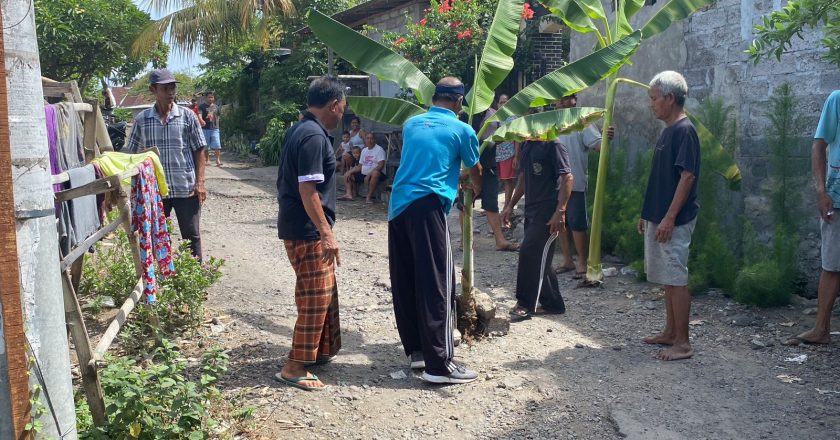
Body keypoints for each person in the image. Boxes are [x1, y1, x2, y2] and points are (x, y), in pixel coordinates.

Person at [388, 77, 482, 384]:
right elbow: (475, 170)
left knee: (406, 279)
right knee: (437, 282)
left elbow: (426, 160)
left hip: (398, 206)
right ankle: (439, 365)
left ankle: (418, 351)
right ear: (459, 102)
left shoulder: (411, 125)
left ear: (434, 97)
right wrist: (474, 189)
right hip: (428, 207)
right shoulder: (462, 129)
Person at [275, 76, 346, 390]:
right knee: (316, 296)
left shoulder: (300, 129)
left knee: (319, 290)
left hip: (298, 225)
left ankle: (318, 351)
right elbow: (308, 190)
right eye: (342, 108)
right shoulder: (314, 137)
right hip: (307, 229)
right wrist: (326, 233)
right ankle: (295, 366)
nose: (342, 114)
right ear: (333, 105)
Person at [638, 71, 701, 361]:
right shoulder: (668, 131)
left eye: (654, 99)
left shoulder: (685, 131)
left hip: (676, 219)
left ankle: (683, 344)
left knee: (676, 278)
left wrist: (670, 217)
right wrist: (648, 214)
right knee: (667, 278)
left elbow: (687, 177)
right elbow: (660, 179)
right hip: (660, 216)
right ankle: (670, 332)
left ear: (670, 98)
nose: (651, 104)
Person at [125, 68, 207, 259]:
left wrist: (200, 182)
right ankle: (165, 273)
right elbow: (131, 153)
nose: (171, 92)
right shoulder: (142, 120)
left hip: (186, 187)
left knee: (191, 235)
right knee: (160, 236)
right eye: (165, 88)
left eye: (172, 88)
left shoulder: (187, 116)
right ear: (153, 90)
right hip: (156, 190)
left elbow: (200, 149)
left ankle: (194, 275)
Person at [785, 90, 840, 346]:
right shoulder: (837, 99)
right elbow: (819, 146)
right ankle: (821, 329)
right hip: (837, 199)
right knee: (832, 266)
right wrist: (821, 191)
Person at [501, 137, 573, 321]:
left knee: (528, 251)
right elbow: (524, 178)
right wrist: (510, 205)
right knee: (540, 256)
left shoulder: (554, 145)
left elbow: (567, 177)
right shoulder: (528, 144)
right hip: (531, 209)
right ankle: (553, 303)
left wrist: (560, 211)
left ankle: (524, 304)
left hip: (548, 211)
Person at [553, 94, 614, 278]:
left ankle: (582, 262)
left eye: (566, 98)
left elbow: (599, 146)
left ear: (575, 100)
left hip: (575, 182)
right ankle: (567, 260)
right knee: (561, 223)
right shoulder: (551, 122)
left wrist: (607, 138)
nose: (561, 102)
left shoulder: (582, 122)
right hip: (554, 183)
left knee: (577, 223)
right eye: (559, 99)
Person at [456, 97, 519, 252]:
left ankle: (500, 240)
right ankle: (465, 241)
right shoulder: (464, 115)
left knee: (491, 204)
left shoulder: (494, 115)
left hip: (489, 166)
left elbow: (500, 138)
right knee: (465, 205)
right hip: (469, 168)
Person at [341, 132, 386, 203]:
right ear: (365, 140)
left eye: (371, 138)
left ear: (375, 140)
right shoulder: (364, 150)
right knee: (348, 174)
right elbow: (360, 165)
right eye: (367, 138)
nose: (369, 140)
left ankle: (368, 197)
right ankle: (348, 194)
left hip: (377, 174)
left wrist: (369, 175)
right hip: (364, 173)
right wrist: (349, 172)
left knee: (375, 173)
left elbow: (381, 165)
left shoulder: (379, 150)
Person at [495, 94, 517, 207]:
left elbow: (517, 138)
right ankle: (494, 206)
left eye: (505, 102)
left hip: (509, 153)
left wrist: (516, 156)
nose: (503, 104)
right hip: (497, 154)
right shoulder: (495, 117)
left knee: (508, 180)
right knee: (501, 180)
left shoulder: (512, 118)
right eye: (501, 102)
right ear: (497, 104)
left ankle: (507, 207)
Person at [200, 93, 222, 166]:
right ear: (206, 98)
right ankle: (207, 160)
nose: (210, 99)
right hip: (205, 128)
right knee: (206, 145)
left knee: (217, 145)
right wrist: (201, 120)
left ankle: (218, 160)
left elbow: (218, 116)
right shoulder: (202, 106)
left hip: (215, 129)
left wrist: (217, 125)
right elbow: (199, 115)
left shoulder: (216, 107)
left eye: (212, 97)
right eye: (209, 97)